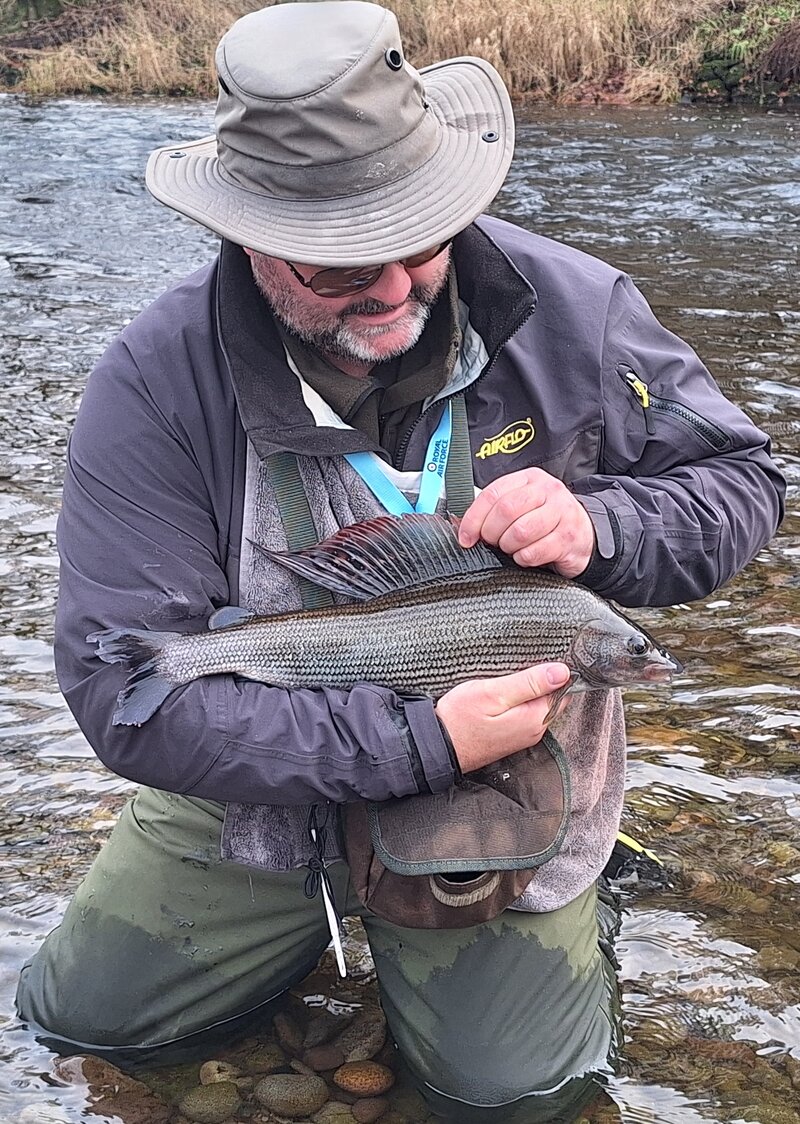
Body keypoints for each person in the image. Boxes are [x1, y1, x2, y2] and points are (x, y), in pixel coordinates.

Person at [16, 2, 784, 1121]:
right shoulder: (154, 382)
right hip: (254, 788)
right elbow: (122, 692)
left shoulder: (575, 312)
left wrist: (602, 526)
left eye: (414, 239)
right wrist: (414, 740)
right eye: (332, 267)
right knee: (77, 1023)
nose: (385, 286)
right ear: (244, 238)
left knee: (516, 1093)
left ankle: (592, 882)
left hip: (515, 797)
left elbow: (741, 485)